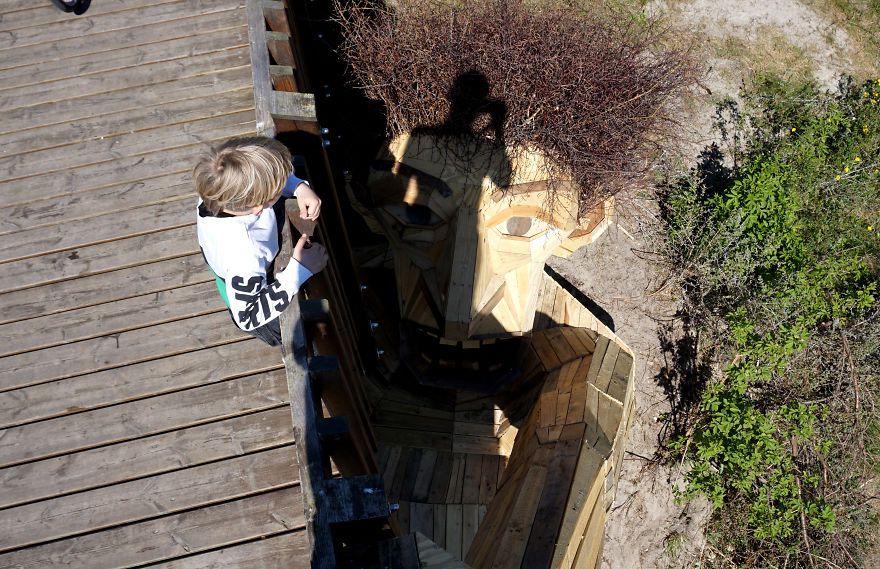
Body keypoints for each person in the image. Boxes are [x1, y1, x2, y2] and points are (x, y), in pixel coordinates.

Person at [193, 136, 327, 346]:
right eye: (279, 185)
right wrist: (300, 270)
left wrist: (298, 187)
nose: (285, 181)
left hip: (241, 269)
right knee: (295, 330)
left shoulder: (218, 188)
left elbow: (266, 183)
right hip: (254, 306)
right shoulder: (245, 252)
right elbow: (247, 317)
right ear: (258, 206)